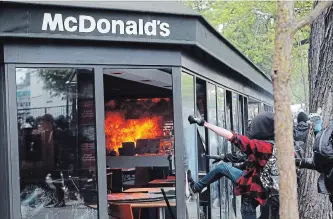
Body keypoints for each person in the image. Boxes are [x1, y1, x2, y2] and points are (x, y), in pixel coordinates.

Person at [186, 112, 278, 219]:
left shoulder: (261, 146)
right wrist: (224, 157)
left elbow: (232, 136)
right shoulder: (276, 147)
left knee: (222, 168)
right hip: (263, 190)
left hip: (251, 188)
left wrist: (205, 124)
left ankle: (194, 188)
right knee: (222, 168)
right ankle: (195, 188)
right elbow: (247, 159)